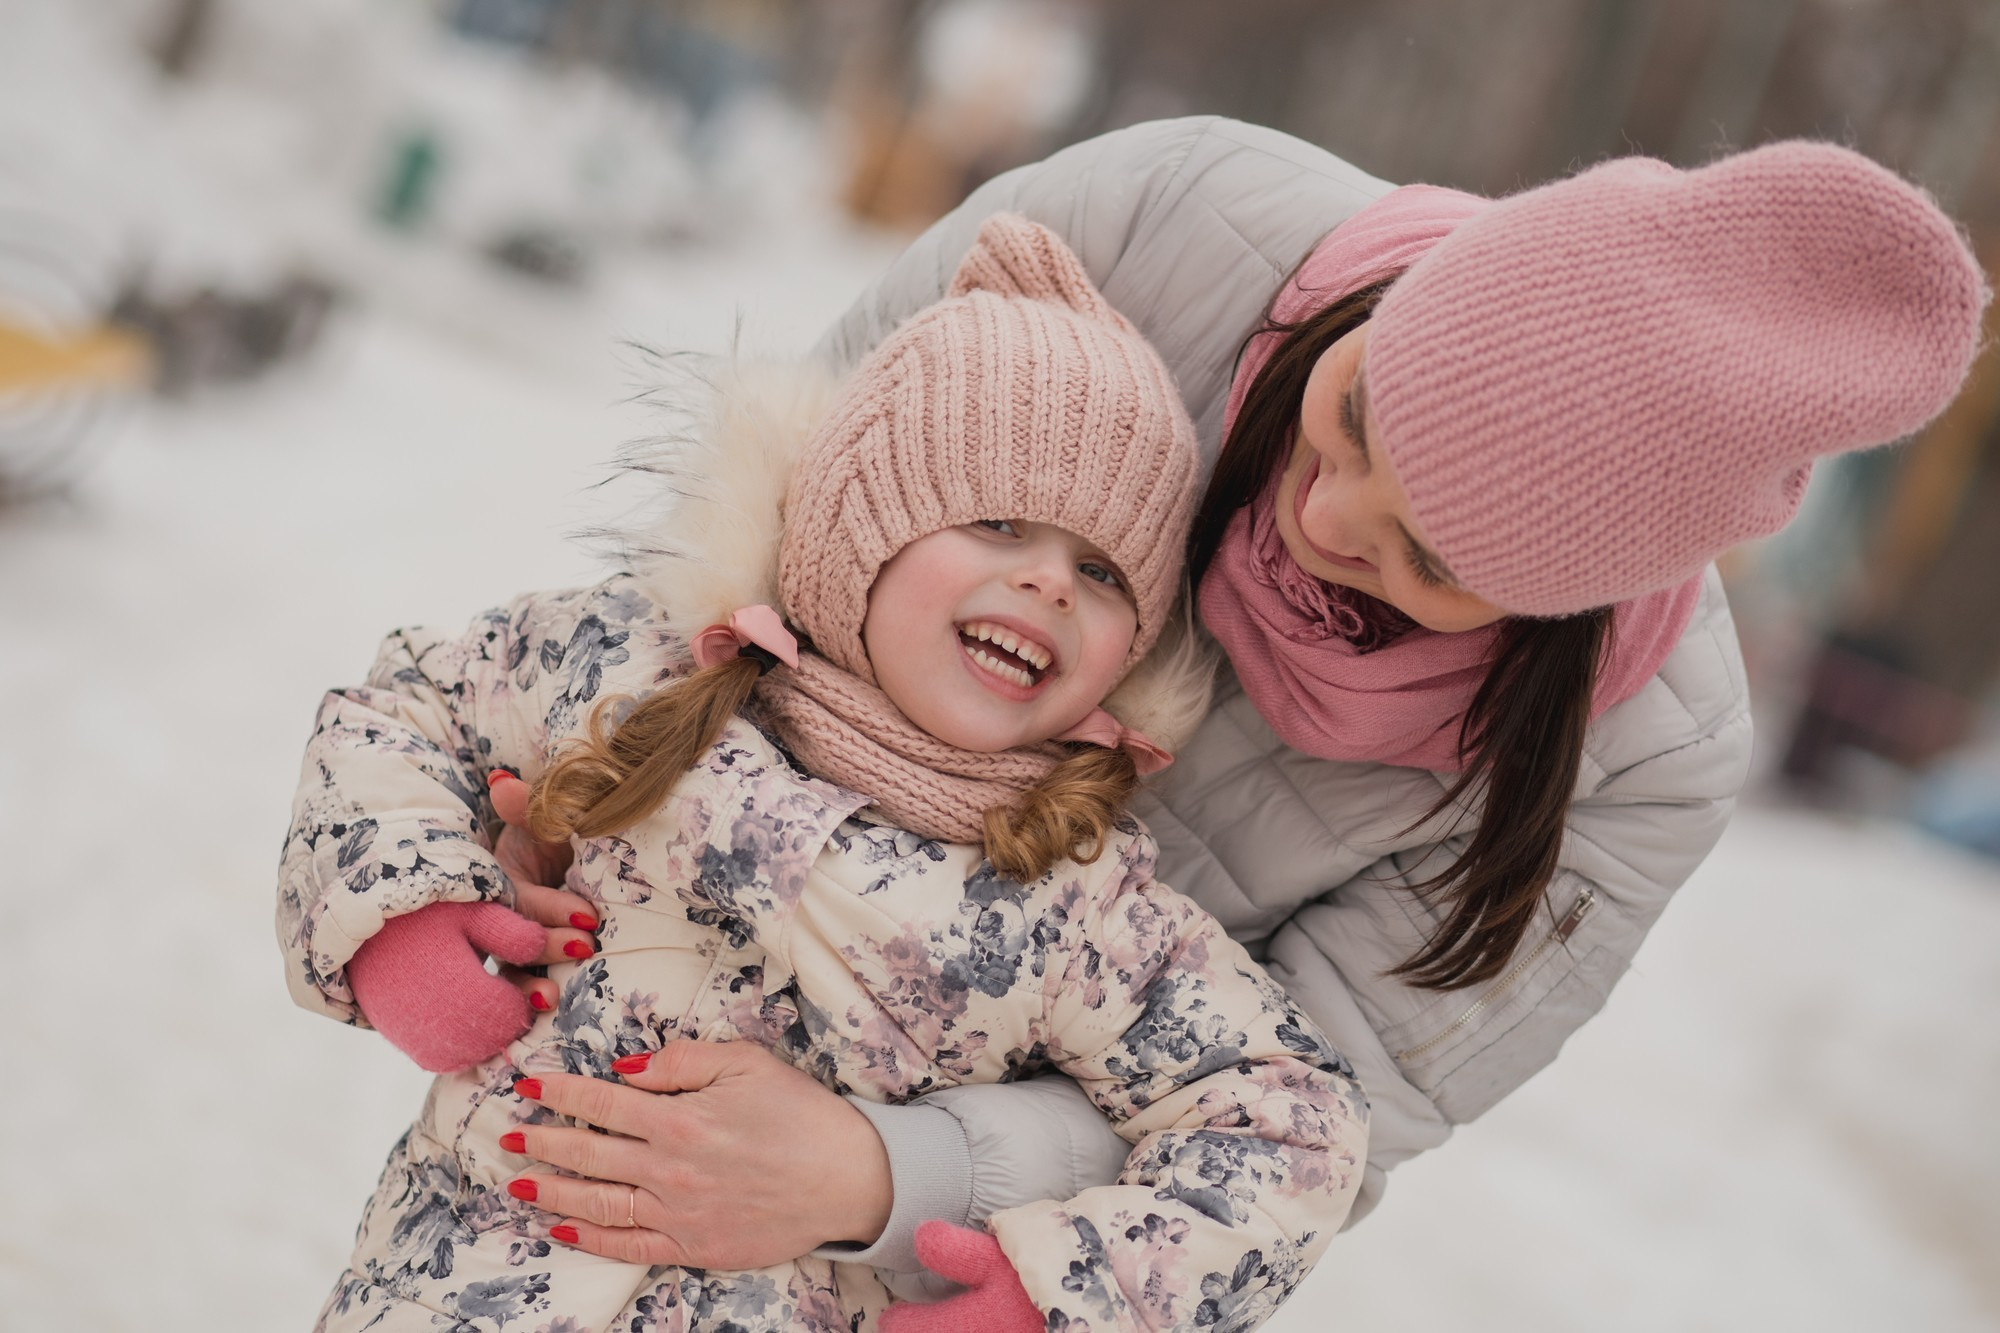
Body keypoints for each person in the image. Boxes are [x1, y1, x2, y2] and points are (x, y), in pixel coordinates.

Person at [449, 118, 1989, 1286]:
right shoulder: (1170, 222)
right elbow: (772, 519)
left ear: (1555, 612)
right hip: (636, 1032)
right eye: (1360, 411)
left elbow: (1326, 1104)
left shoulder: (1646, 758)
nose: (1329, 515)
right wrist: (585, 794)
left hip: (929, 1238)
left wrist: (889, 1174)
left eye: (1430, 559)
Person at [278, 215, 1370, 1333]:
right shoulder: (632, 668)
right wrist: (404, 917)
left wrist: (1050, 1296)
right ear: (862, 523)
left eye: (1101, 571)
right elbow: (408, 704)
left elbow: (1291, 1123)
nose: (1049, 583)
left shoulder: (1070, 899)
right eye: (997, 520)